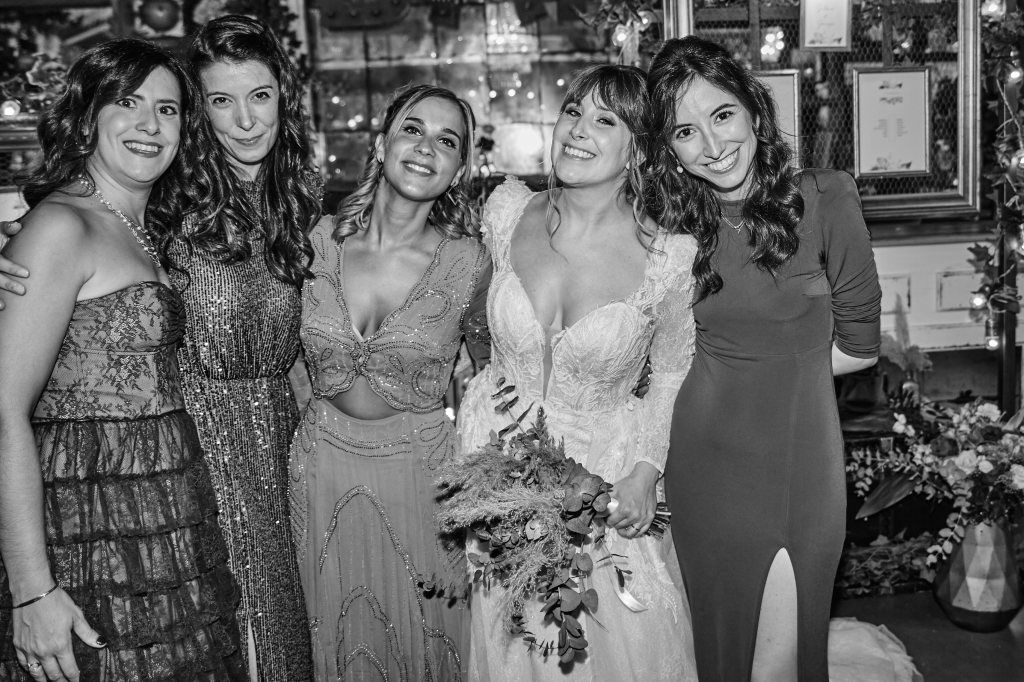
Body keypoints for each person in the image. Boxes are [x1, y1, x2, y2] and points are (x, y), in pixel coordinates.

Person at [0, 17, 320, 680]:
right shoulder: (141, 212)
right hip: (123, 486)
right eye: (220, 100)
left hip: (218, 477)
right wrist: (31, 588)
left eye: (166, 109)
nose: (244, 119)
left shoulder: (263, 208)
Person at [646, 36, 882, 682]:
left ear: (753, 108)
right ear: (669, 149)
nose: (712, 145)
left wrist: (779, 373)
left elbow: (861, 348)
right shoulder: (667, 230)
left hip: (798, 462)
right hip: (701, 467)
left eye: (722, 115)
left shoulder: (827, 197)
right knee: (719, 658)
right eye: (685, 132)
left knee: (780, 665)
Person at [456, 64, 699, 681]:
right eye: (573, 112)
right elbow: (476, 316)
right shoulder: (507, 211)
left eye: (604, 120)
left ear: (637, 149)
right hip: (495, 469)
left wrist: (645, 471)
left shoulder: (668, 257)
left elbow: (671, 371)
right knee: (512, 645)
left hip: (605, 478)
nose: (579, 130)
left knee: (604, 642)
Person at [289, 84, 488, 681]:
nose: (426, 147)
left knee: (429, 646)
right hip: (320, 470)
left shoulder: (471, 263)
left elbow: (496, 377)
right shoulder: (312, 241)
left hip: (420, 480)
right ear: (381, 145)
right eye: (413, 129)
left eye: (447, 141)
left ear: (459, 168)